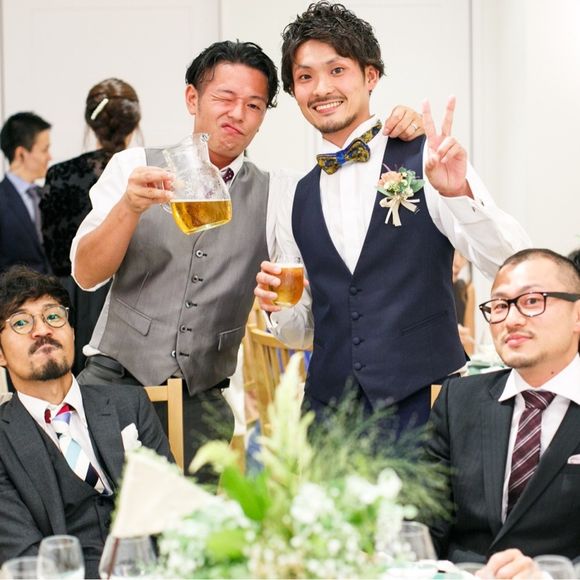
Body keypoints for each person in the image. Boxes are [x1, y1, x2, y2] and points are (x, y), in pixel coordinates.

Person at [70, 40, 423, 473]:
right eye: (225, 98)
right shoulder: (133, 167)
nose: (238, 114)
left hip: (202, 399)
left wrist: (397, 138)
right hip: (112, 386)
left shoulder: (278, 192)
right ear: (192, 98)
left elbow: (343, 233)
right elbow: (86, 274)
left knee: (198, 517)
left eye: (254, 105)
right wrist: (128, 208)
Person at [255, 2, 531, 432]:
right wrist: (279, 309)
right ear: (294, 91)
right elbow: (302, 332)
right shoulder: (295, 196)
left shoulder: (427, 159)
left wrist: (458, 194)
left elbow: (512, 263)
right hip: (329, 418)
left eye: (337, 70)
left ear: (371, 75)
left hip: (425, 407)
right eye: (305, 77)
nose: (322, 88)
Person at [0, 266, 172, 578]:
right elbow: (25, 555)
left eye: (53, 316)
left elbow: (170, 509)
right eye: (21, 322)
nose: (42, 330)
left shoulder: (129, 404)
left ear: (72, 332)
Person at [428, 249, 580, 575]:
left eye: (532, 301)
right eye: (499, 306)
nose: (511, 320)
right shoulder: (459, 400)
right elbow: (425, 518)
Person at [40, 78, 142, 375]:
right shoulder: (146, 174)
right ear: (134, 124)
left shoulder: (60, 174)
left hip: (72, 300)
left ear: (91, 124)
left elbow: (55, 255)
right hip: (134, 303)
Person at [0, 112, 52, 274]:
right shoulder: (2, 200)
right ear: (21, 153)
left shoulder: (48, 196)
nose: (50, 157)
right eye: (44, 150)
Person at [452, 251, 476, 356]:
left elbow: (469, 348)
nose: (458, 263)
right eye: (453, 254)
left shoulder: (466, 290)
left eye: (462, 255)